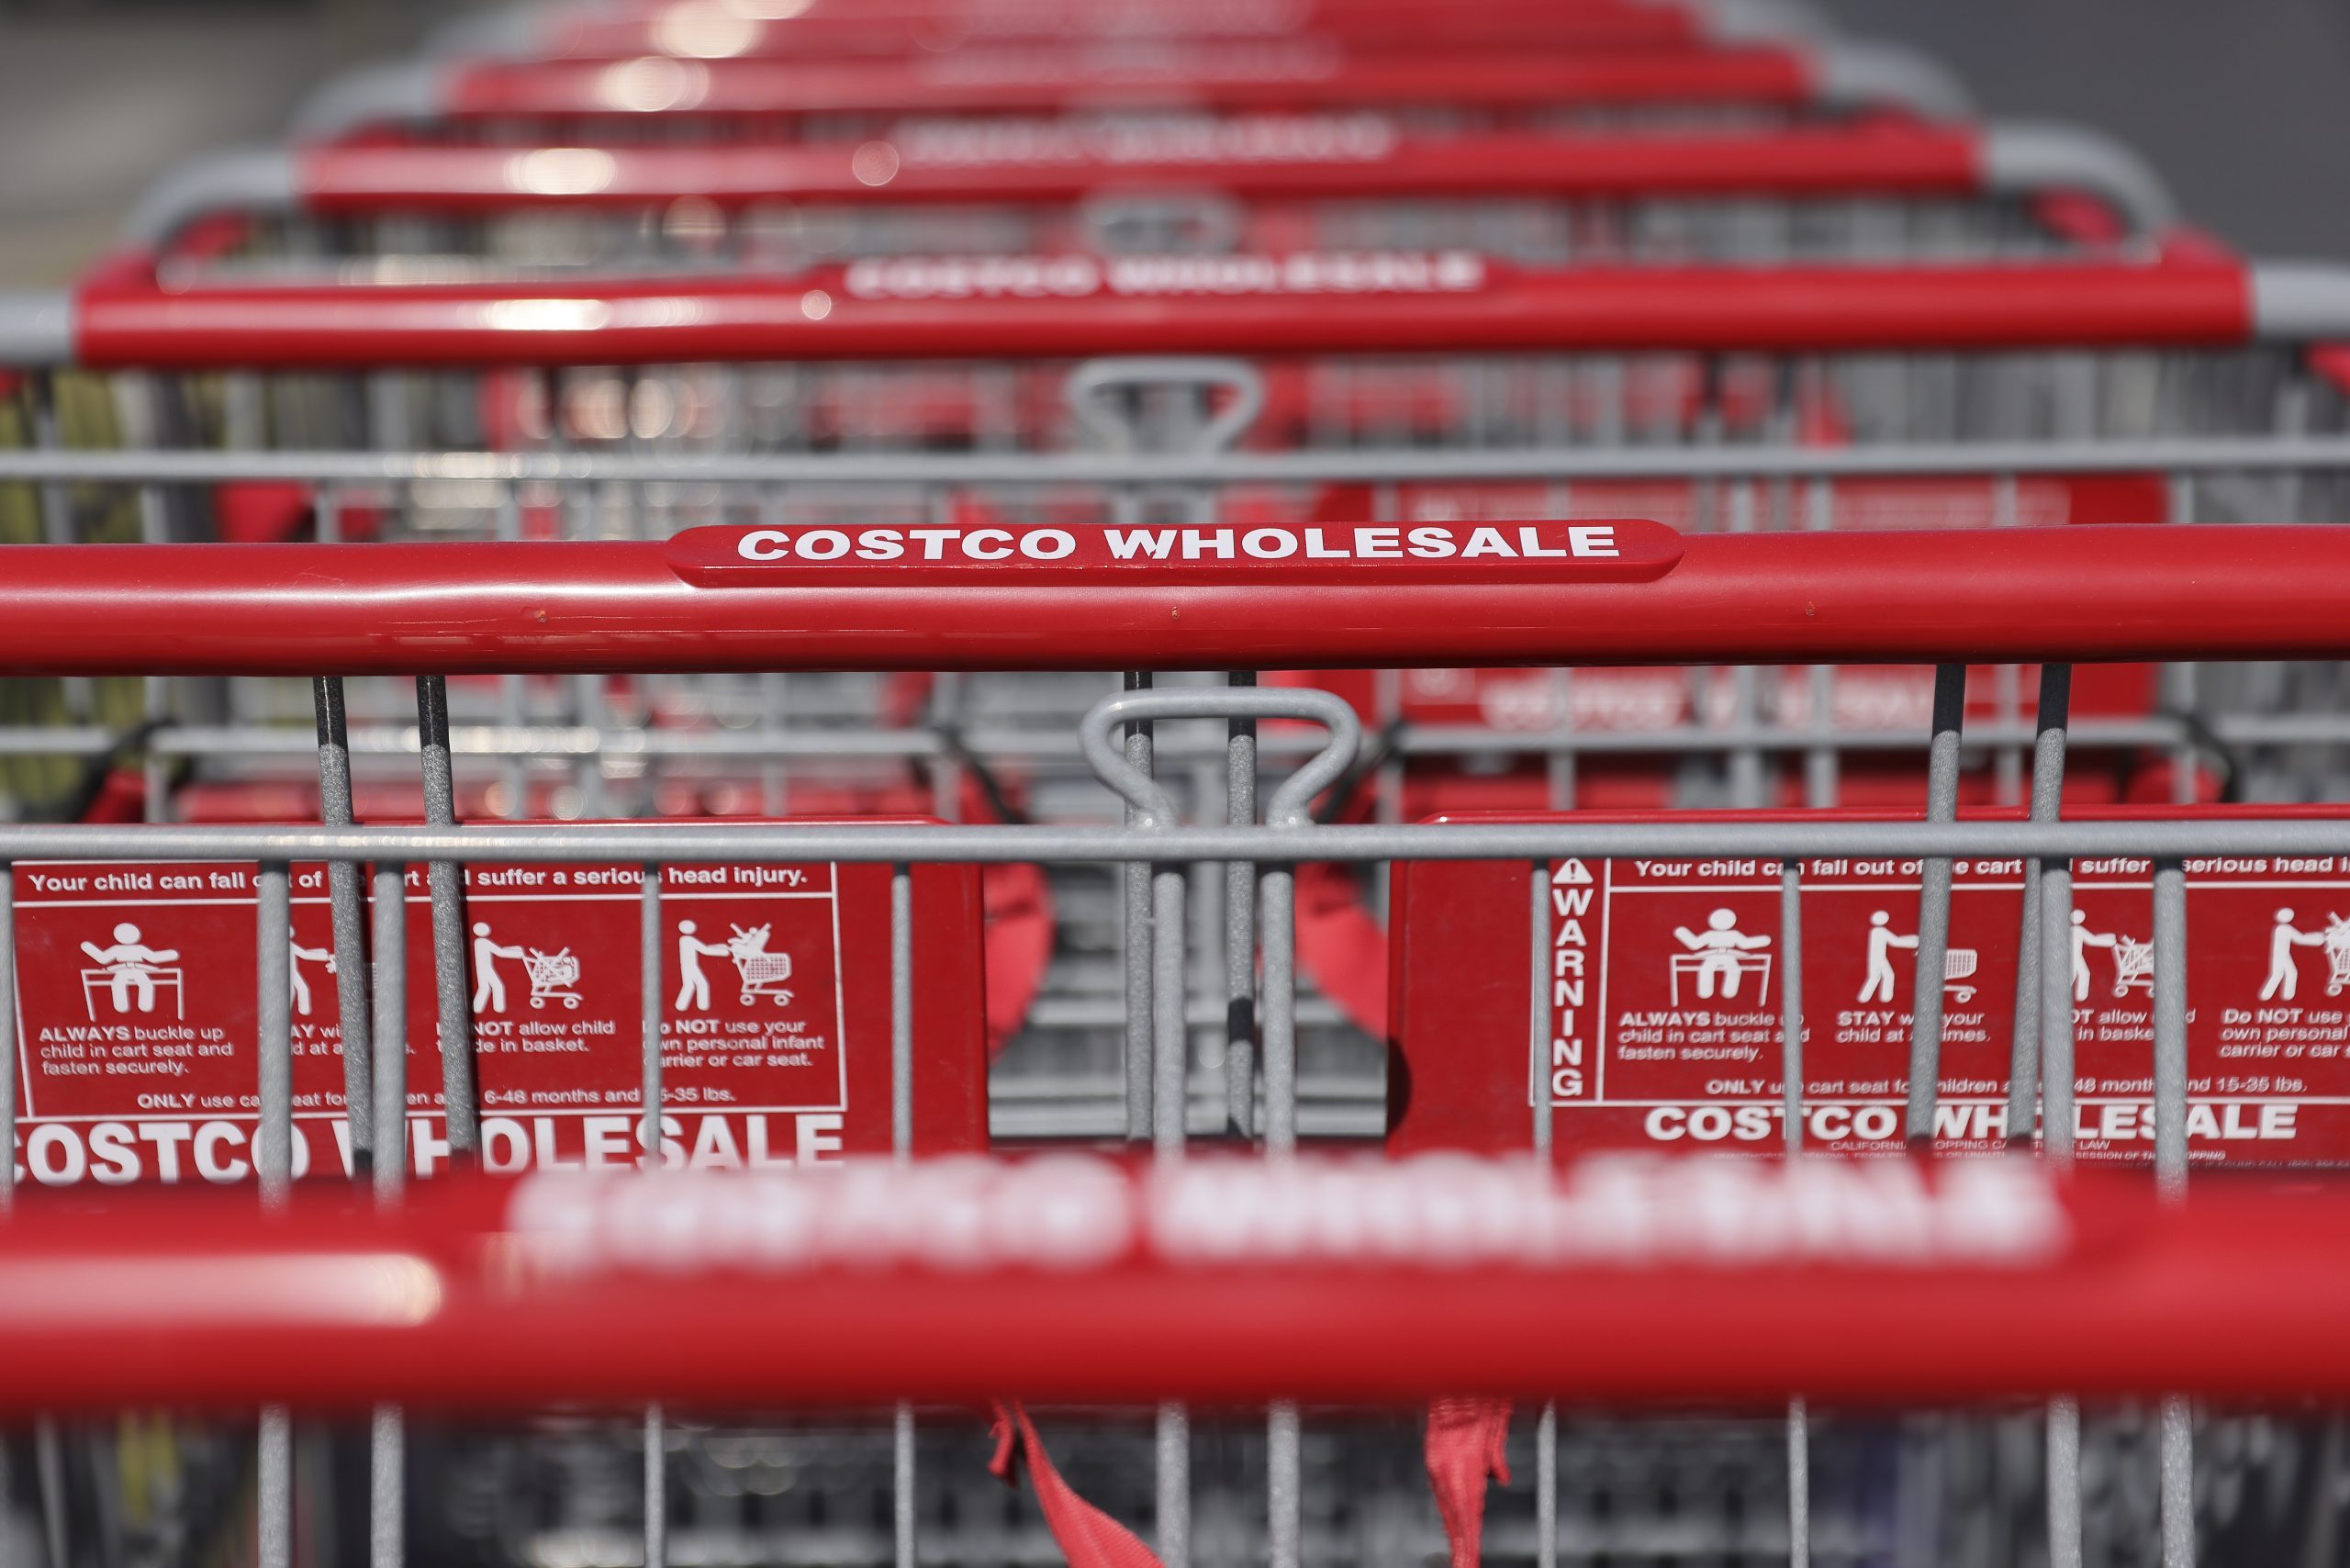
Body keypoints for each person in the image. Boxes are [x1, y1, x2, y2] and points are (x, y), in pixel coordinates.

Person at [80, 923, 180, 1014]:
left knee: (145, 984)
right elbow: (103, 959)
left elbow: (153, 958)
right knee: (118, 984)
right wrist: (89, 948)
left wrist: (172, 954)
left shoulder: (139, 948)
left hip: (138, 970)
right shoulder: (117, 949)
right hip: (121, 970)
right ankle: (121, 1007)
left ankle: (145, 1006)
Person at [1673, 909, 1770, 1001]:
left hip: (1728, 956)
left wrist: (1764, 940)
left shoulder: (1732, 934)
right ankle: (1705, 992)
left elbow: (1745, 944)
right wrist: (1682, 932)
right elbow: (1695, 944)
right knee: (1708, 969)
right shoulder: (1711, 934)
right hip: (1713, 956)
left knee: (1732, 969)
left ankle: (1728, 992)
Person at [2260, 908, 2330, 1002]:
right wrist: (2318, 939)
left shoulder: (2279, 928)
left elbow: (2300, 937)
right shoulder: (2286, 928)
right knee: (2287, 973)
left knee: (2280, 974)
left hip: (2281, 955)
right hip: (2282, 956)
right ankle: (2279, 996)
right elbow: (2300, 939)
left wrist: (2316, 936)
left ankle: (2272, 995)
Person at [1857, 911, 1919, 1004]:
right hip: (1879, 959)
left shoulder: (1874, 931)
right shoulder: (1881, 931)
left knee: (1876, 977)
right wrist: (1913, 941)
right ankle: (1883, 998)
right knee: (1886, 976)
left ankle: (1866, 998)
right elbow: (1895, 941)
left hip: (1876, 958)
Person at [674, 919, 733, 1011]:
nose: (692, 927)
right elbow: (705, 950)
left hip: (689, 966)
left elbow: (704, 947)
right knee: (697, 985)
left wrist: (719, 946)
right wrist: (723, 952)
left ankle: (688, 1006)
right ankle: (687, 1007)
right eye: (690, 926)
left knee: (693, 985)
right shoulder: (688, 939)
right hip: (690, 966)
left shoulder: (685, 939)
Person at [471, 922, 527, 1014]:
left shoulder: (479, 942)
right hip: (486, 969)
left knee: (486, 987)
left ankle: (479, 1008)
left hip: (484, 968)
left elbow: (499, 949)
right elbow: (499, 952)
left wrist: (515, 949)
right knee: (495, 986)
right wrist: (517, 954)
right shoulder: (484, 942)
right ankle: (496, 1009)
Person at [2070, 909, 2118, 1002]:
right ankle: (2076, 995)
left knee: (2083, 973)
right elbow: (2092, 940)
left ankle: (2081, 996)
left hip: (2075, 955)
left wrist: (2109, 937)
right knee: (2075, 974)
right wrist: (2109, 941)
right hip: (2075, 956)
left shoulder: (2070, 929)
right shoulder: (2078, 930)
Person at [288, 926, 336, 1017]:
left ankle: (303, 1012)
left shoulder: (288, 945)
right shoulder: (289, 945)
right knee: (296, 990)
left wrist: (324, 955)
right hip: (289, 973)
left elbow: (305, 954)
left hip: (292, 972)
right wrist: (326, 956)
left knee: (301, 989)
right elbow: (305, 955)